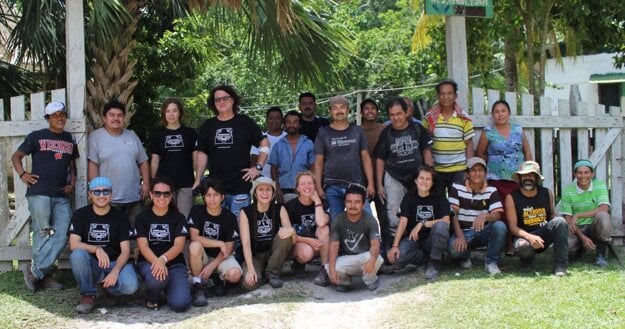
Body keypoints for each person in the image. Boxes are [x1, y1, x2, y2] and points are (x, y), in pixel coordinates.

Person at [11, 101, 79, 291]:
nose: (60, 118)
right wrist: (23, 174)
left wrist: (72, 184)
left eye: (63, 114)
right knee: (43, 234)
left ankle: (35, 271)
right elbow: (16, 156)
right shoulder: (36, 136)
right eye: (55, 115)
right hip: (40, 193)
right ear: (48, 118)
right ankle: (43, 276)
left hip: (60, 194)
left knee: (64, 233)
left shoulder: (69, 139)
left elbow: (72, 167)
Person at [193, 85, 269, 218]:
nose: (221, 102)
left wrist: (258, 167)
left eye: (225, 98)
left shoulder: (244, 122)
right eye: (217, 100)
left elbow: (264, 143)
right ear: (213, 103)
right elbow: (202, 153)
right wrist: (198, 179)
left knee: (240, 227)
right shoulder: (208, 125)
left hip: (240, 186)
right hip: (215, 187)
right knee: (217, 227)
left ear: (233, 100)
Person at [68, 177, 139, 314]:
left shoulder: (120, 217)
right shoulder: (80, 215)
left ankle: (107, 289)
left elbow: (125, 251)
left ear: (111, 194)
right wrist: (96, 249)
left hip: (115, 262)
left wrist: (115, 271)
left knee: (130, 286)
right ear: (90, 195)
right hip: (93, 264)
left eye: (106, 192)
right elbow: (73, 244)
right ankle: (87, 295)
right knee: (77, 254)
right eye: (97, 192)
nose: (102, 196)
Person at [375, 97, 433, 251]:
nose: (396, 118)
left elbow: (427, 150)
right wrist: (379, 183)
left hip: (417, 177)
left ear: (406, 112)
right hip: (394, 176)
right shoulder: (386, 132)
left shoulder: (418, 129)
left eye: (399, 114)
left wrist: (430, 174)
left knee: (420, 210)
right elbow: (380, 158)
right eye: (392, 115)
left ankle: (416, 244)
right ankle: (394, 247)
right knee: (394, 215)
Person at [475, 100, 533, 256]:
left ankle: (519, 241)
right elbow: (480, 153)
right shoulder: (488, 132)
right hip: (496, 179)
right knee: (500, 212)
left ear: (509, 113)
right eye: (497, 111)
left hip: (516, 178)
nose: (500, 114)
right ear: (493, 115)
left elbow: (527, 151)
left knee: (516, 209)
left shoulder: (518, 130)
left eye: (503, 111)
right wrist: (490, 166)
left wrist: (529, 169)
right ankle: (506, 244)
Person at [313, 95, 375, 223]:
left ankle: (372, 244)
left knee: (367, 221)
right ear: (330, 111)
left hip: (356, 184)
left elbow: (365, 157)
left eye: (342, 107)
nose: (339, 111)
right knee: (336, 223)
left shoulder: (357, 131)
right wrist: (318, 186)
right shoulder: (323, 133)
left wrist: (371, 183)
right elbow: (318, 162)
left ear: (348, 110)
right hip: (332, 186)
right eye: (335, 108)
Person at [88, 100, 150, 226]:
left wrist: (146, 184)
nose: (116, 118)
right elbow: (93, 164)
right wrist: (95, 190)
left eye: (120, 115)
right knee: (112, 235)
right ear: (104, 118)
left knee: (136, 235)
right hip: (108, 199)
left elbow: (143, 161)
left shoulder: (132, 135)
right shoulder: (95, 137)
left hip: (134, 197)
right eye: (112, 115)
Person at [135, 177, 191, 311]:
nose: (162, 197)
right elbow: (143, 247)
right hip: (149, 262)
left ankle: (170, 286)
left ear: (171, 196)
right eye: (157, 193)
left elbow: (178, 246)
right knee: (158, 278)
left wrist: (163, 259)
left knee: (180, 304)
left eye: (166, 193)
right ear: (151, 195)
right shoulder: (142, 218)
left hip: (174, 263)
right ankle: (152, 296)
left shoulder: (178, 218)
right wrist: (158, 262)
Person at [504, 161, 568, 276]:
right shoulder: (511, 197)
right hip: (524, 236)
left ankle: (561, 266)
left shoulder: (547, 193)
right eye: (524, 175)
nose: (528, 178)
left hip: (543, 234)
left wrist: (557, 225)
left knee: (560, 221)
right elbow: (512, 227)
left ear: (537, 178)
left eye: (531, 175)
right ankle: (526, 262)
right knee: (523, 246)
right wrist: (530, 237)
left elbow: (552, 215)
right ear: (519, 177)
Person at [387, 166, 449, 280]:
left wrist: (422, 223)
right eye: (421, 178)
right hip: (413, 239)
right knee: (397, 259)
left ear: (432, 183)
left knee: (441, 226)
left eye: (428, 179)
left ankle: (434, 263)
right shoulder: (409, 197)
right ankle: (425, 259)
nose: (424, 182)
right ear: (416, 180)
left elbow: (446, 221)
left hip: (432, 239)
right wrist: (395, 246)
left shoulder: (440, 197)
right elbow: (403, 222)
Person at [187, 177, 242, 306]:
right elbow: (194, 237)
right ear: (204, 197)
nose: (212, 199)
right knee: (194, 246)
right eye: (208, 195)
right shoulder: (197, 211)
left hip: (221, 257)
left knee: (235, 275)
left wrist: (212, 266)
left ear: (222, 197)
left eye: (215, 195)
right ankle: (198, 285)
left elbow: (228, 248)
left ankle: (218, 279)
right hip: (202, 257)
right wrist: (219, 243)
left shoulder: (230, 217)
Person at [448, 157, 507, 275]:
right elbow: (453, 214)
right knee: (454, 251)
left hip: (482, 232)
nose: (477, 173)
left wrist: (485, 216)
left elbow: (497, 214)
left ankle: (491, 262)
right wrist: (460, 236)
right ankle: (465, 256)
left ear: (485, 173)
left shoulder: (492, 190)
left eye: (480, 170)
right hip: (463, 232)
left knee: (500, 226)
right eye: (473, 170)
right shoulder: (457, 187)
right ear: (467, 174)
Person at [239, 177, 294, 290]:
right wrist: (250, 269)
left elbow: (292, 237)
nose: (265, 193)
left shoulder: (280, 208)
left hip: (273, 252)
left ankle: (273, 273)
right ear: (255, 192)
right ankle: (263, 274)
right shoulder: (245, 212)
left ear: (273, 192)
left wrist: (292, 231)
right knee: (249, 284)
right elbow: (246, 243)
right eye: (261, 189)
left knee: (287, 234)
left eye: (268, 189)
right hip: (255, 255)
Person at [327, 186, 383, 292]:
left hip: (364, 257)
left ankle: (371, 280)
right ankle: (343, 282)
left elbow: (375, 244)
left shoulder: (370, 220)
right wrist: (331, 268)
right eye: (349, 202)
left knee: (376, 258)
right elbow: (334, 246)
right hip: (347, 258)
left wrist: (372, 259)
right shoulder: (338, 220)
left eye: (357, 202)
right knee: (333, 265)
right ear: (344, 203)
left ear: (363, 204)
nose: (352, 205)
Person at [422, 80, 474, 195]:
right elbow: (425, 144)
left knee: (457, 203)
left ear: (455, 96)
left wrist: (469, 169)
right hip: (436, 170)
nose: (446, 97)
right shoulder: (429, 118)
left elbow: (469, 144)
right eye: (442, 93)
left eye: (449, 93)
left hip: (459, 169)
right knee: (438, 204)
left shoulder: (464, 117)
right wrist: (429, 169)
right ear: (438, 96)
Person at [149, 98, 198, 218]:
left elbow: (196, 159)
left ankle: (184, 237)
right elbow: (155, 160)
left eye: (174, 111)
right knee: (166, 215)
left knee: (184, 216)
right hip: (164, 182)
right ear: (164, 114)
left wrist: (198, 179)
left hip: (186, 181)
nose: (171, 114)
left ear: (180, 113)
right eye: (168, 111)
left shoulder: (190, 133)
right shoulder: (158, 134)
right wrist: (152, 181)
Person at [560, 159, 613, 267]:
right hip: (577, 228)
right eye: (580, 172)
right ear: (575, 174)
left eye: (586, 172)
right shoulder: (568, 192)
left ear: (592, 174)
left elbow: (604, 209)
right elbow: (569, 221)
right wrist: (582, 237)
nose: (583, 176)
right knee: (568, 250)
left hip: (594, 226)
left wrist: (578, 215)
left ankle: (600, 256)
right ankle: (581, 249)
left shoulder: (600, 186)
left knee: (603, 216)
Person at [285, 172, 330, 285]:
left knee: (324, 229)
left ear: (315, 186)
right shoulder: (291, 206)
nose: (307, 186)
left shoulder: (323, 203)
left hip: (317, 243)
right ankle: (297, 264)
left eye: (310, 183)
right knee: (306, 252)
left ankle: (325, 269)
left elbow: (321, 222)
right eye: (303, 184)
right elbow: (288, 234)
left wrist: (318, 202)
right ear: (298, 188)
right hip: (298, 243)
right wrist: (308, 241)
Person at [359, 98, 389, 256]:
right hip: (361, 180)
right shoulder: (357, 131)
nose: (370, 111)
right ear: (361, 113)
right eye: (366, 108)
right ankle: (367, 251)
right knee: (363, 218)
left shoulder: (384, 129)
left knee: (384, 216)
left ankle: (386, 251)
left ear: (377, 111)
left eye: (373, 108)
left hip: (382, 179)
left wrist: (378, 182)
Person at [269, 110, 315, 203]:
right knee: (285, 216)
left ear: (300, 125)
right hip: (283, 188)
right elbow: (273, 169)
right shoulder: (278, 145)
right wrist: (277, 188)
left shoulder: (308, 143)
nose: (291, 125)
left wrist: (313, 186)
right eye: (288, 122)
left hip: (304, 187)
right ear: (284, 125)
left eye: (295, 122)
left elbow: (313, 167)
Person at [251, 106, 286, 178]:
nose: (274, 121)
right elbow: (254, 159)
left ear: (282, 120)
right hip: (264, 180)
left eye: (277, 118)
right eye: (271, 118)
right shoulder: (260, 138)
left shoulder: (288, 137)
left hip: (285, 179)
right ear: (266, 120)